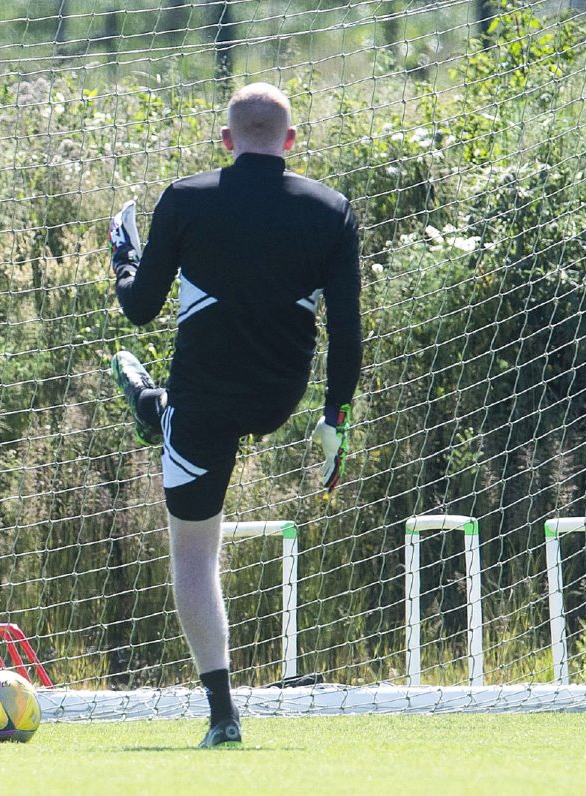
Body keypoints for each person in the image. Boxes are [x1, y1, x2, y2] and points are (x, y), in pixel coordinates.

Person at [107, 83, 361, 748]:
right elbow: (350, 332)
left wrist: (122, 259)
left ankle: (223, 715)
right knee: (185, 432)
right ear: (290, 142)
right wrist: (335, 419)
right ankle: (155, 409)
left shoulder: (187, 199)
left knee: (194, 557)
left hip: (203, 405)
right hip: (278, 398)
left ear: (227, 141)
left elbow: (139, 309)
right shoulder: (331, 210)